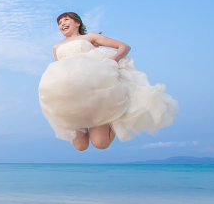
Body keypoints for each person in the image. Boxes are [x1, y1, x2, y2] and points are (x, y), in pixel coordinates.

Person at [39, 12, 178, 151]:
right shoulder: (56, 47)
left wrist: (114, 60)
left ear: (77, 23)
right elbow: (58, 71)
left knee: (100, 143)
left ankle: (115, 116)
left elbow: (124, 46)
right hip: (71, 98)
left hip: (96, 93)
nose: (62, 24)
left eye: (66, 20)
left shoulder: (90, 37)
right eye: (59, 23)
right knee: (81, 146)